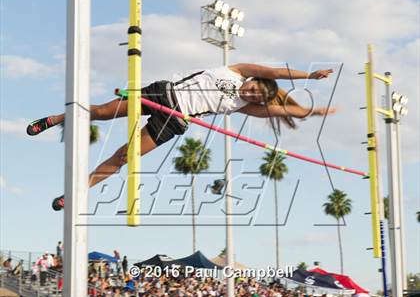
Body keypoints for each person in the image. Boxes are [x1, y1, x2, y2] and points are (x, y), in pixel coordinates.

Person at [25, 64, 334, 210]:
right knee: (103, 112)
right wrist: (309, 76)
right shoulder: (237, 70)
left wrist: (315, 112)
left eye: (253, 97)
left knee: (123, 156)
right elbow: (277, 72)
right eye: (252, 88)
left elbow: (283, 113)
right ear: (252, 79)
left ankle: (77, 192)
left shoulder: (244, 107)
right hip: (163, 92)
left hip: (174, 120)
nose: (248, 93)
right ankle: (55, 119)